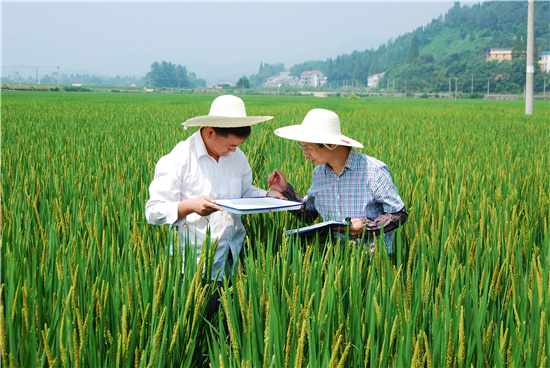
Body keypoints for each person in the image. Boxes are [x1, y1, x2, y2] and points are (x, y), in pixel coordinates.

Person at [145, 94, 283, 281]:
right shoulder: (179, 159)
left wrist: (267, 195)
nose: (234, 150)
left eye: (238, 145)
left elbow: (243, 192)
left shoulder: (237, 156)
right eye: (230, 145)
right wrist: (190, 206)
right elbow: (153, 212)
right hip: (196, 265)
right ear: (210, 133)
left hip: (234, 258)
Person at [268, 108, 408, 253]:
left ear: (331, 144)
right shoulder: (319, 174)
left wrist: (366, 227)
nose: (305, 154)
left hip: (372, 260)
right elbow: (308, 215)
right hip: (333, 257)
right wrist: (285, 190)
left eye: (308, 148)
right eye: (302, 147)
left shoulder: (373, 171)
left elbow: (399, 214)